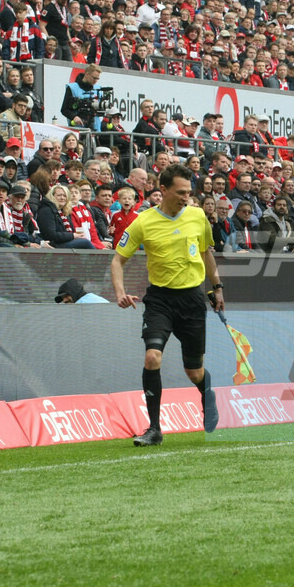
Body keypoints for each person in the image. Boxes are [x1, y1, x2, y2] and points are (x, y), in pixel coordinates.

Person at [110, 164, 223, 446]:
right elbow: (117, 260)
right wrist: (120, 292)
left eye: (189, 192)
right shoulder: (143, 222)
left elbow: (206, 253)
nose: (186, 197)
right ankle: (154, 429)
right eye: (181, 192)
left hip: (192, 300)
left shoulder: (198, 216)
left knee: (194, 372)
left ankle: (207, 395)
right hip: (160, 300)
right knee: (152, 357)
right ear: (163, 189)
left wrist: (217, 287)